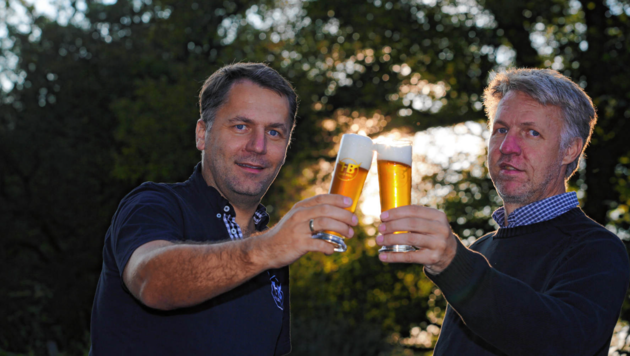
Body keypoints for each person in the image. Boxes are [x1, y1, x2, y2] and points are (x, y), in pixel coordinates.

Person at [89, 63, 358, 355]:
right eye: (241, 126)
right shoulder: (154, 204)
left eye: (274, 132)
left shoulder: (272, 252)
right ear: (202, 134)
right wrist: (266, 249)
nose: (258, 146)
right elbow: (151, 282)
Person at [376, 68, 630, 355]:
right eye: (500, 130)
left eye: (531, 132)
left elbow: (560, 341)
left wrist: (454, 263)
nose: (508, 147)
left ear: (570, 150)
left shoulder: (596, 248)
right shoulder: (480, 249)